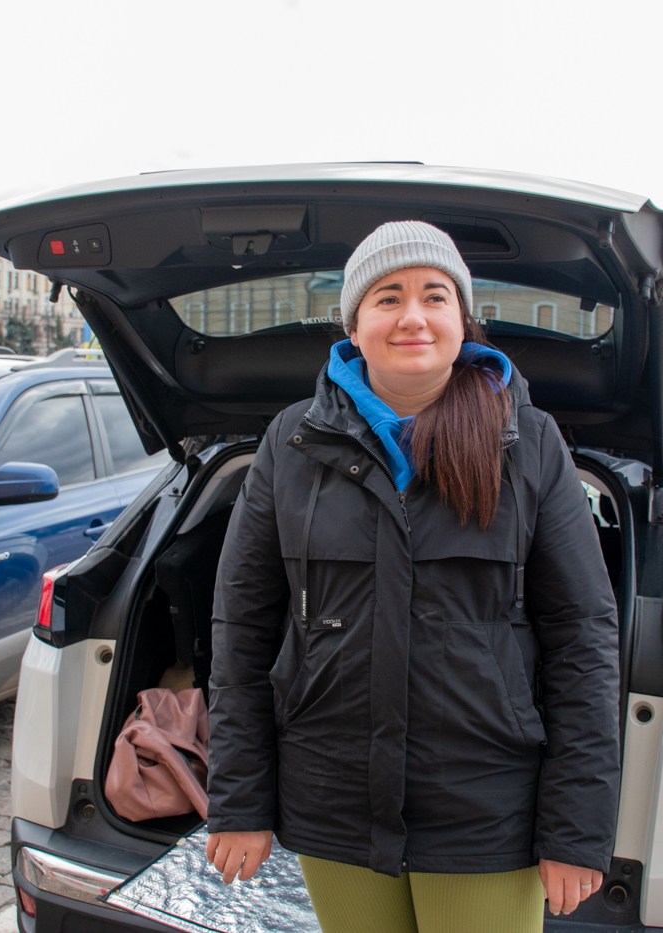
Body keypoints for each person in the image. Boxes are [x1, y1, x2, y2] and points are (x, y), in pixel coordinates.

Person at [204, 221, 621, 933]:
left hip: (485, 810)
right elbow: (241, 630)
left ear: (463, 318)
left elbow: (583, 637)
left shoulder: (528, 440)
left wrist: (575, 828)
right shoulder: (291, 441)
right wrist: (240, 802)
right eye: (388, 297)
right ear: (355, 324)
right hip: (333, 799)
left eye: (435, 295)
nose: (414, 316)